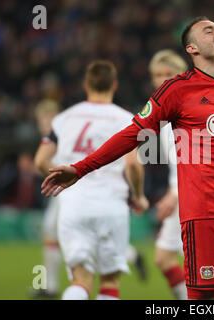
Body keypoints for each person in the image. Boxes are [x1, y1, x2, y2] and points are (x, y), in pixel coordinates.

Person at [41, 17, 214, 300]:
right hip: (207, 214)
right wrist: (80, 168)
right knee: (204, 299)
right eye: (209, 31)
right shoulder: (177, 90)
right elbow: (134, 133)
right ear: (192, 49)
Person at [35, 60, 149, 300]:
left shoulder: (64, 118)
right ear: (114, 85)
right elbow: (132, 164)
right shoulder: (127, 119)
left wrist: (60, 178)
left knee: (80, 280)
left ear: (86, 84)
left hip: (73, 205)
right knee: (109, 283)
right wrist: (139, 196)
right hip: (111, 204)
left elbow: (40, 160)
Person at [148, 49, 188, 299]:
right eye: (157, 74)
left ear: (181, 76)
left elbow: (193, 165)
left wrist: (174, 195)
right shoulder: (165, 116)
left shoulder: (187, 112)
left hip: (196, 197)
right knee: (163, 258)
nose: (162, 79)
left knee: (204, 267)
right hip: (181, 195)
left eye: (168, 74)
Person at [30, 99, 62, 298]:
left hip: (66, 192)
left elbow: (49, 165)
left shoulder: (57, 135)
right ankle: (50, 286)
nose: (40, 123)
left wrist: (35, 166)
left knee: (56, 236)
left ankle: (51, 286)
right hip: (62, 193)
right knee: (51, 236)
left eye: (42, 119)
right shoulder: (59, 133)